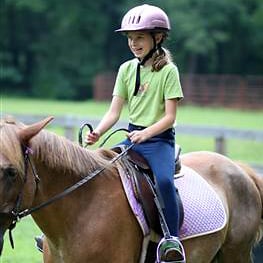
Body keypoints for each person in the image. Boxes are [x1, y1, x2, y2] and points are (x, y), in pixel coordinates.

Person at [86, 4, 185, 263]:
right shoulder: (126, 69)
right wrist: (97, 132)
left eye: (139, 37)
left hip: (159, 141)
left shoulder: (168, 72)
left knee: (164, 182)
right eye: (130, 38)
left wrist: (146, 134)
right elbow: (114, 112)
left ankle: (172, 239)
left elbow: (170, 118)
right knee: (96, 169)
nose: (133, 43)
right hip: (131, 138)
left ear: (158, 37)